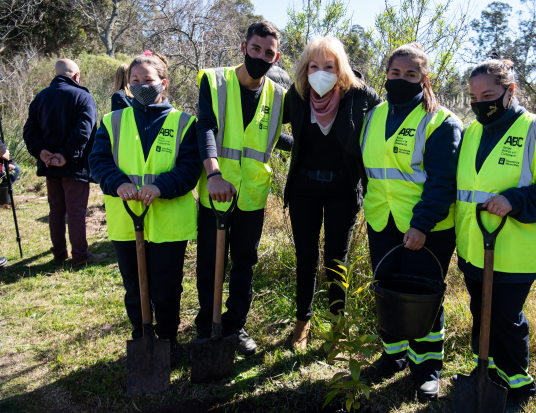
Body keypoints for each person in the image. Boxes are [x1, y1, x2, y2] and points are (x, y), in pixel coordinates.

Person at [455, 57, 536, 412]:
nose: (480, 103)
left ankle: (519, 384)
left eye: (488, 94)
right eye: (474, 97)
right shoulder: (472, 132)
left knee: (505, 317)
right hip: (475, 244)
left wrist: (515, 199)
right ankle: (490, 375)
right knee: (481, 311)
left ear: (510, 91)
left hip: (515, 248)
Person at [359, 43, 462, 401]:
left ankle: (427, 368)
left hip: (426, 228)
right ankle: (393, 356)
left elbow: (442, 181)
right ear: (386, 74)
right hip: (382, 220)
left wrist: (421, 225)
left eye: (411, 74)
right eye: (395, 73)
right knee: (387, 291)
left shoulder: (441, 121)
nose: (401, 79)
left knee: (423, 298)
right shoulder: (374, 115)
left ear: (424, 78)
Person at [89, 51, 202, 367]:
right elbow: (98, 161)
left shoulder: (183, 123)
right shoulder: (112, 121)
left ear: (163, 84)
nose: (140, 86)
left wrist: (161, 186)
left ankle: (167, 339)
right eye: (134, 81)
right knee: (135, 286)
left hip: (168, 223)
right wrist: (117, 182)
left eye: (147, 80)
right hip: (127, 221)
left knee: (166, 288)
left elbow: (190, 166)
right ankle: (142, 337)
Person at [194, 20, 292, 356]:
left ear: (276, 57)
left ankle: (235, 326)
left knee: (244, 263)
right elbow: (205, 127)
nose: (261, 56)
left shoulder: (278, 96)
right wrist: (214, 174)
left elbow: (275, 135)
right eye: (256, 49)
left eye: (269, 53)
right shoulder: (215, 81)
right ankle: (206, 326)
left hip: (252, 194)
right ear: (243, 46)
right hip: (216, 189)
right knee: (210, 261)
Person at [282, 36, 382, 351]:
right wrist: (292, 146)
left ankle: (337, 324)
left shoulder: (360, 96)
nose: (321, 71)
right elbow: (268, 126)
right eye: (314, 65)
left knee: (336, 259)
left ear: (341, 68)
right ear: (305, 68)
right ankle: (303, 322)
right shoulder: (297, 96)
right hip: (304, 190)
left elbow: (387, 122)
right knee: (306, 258)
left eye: (329, 65)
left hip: (343, 188)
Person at [23, 59, 106, 267]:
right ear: (76, 76)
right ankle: (80, 255)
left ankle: (59, 254)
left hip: (51, 164)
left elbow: (29, 130)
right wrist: (66, 155)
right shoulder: (83, 96)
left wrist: (42, 152)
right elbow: (84, 131)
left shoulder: (40, 97)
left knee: (57, 210)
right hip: (74, 164)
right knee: (76, 211)